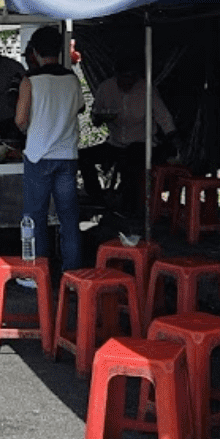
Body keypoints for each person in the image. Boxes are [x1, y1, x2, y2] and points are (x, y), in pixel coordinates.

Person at [16, 26, 83, 276]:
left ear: (34, 51)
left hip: (38, 157)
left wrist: (33, 129)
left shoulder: (30, 81)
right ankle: (73, 274)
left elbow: (20, 120)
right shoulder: (72, 79)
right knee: (69, 219)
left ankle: (37, 275)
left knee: (35, 218)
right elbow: (79, 110)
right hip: (67, 157)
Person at [78, 66, 177, 215]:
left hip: (141, 142)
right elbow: (95, 117)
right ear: (117, 75)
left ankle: (128, 208)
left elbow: (164, 117)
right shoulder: (106, 88)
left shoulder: (146, 89)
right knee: (83, 156)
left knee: (131, 160)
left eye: (131, 78)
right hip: (115, 142)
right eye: (124, 77)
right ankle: (98, 198)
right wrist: (102, 118)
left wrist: (173, 139)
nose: (127, 82)